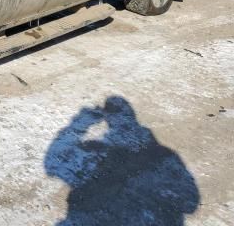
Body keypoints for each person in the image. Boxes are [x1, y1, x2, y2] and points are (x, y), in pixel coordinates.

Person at [44, 96, 200, 225]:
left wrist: (80, 123)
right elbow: (190, 203)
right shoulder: (163, 155)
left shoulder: (95, 155)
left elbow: (54, 161)